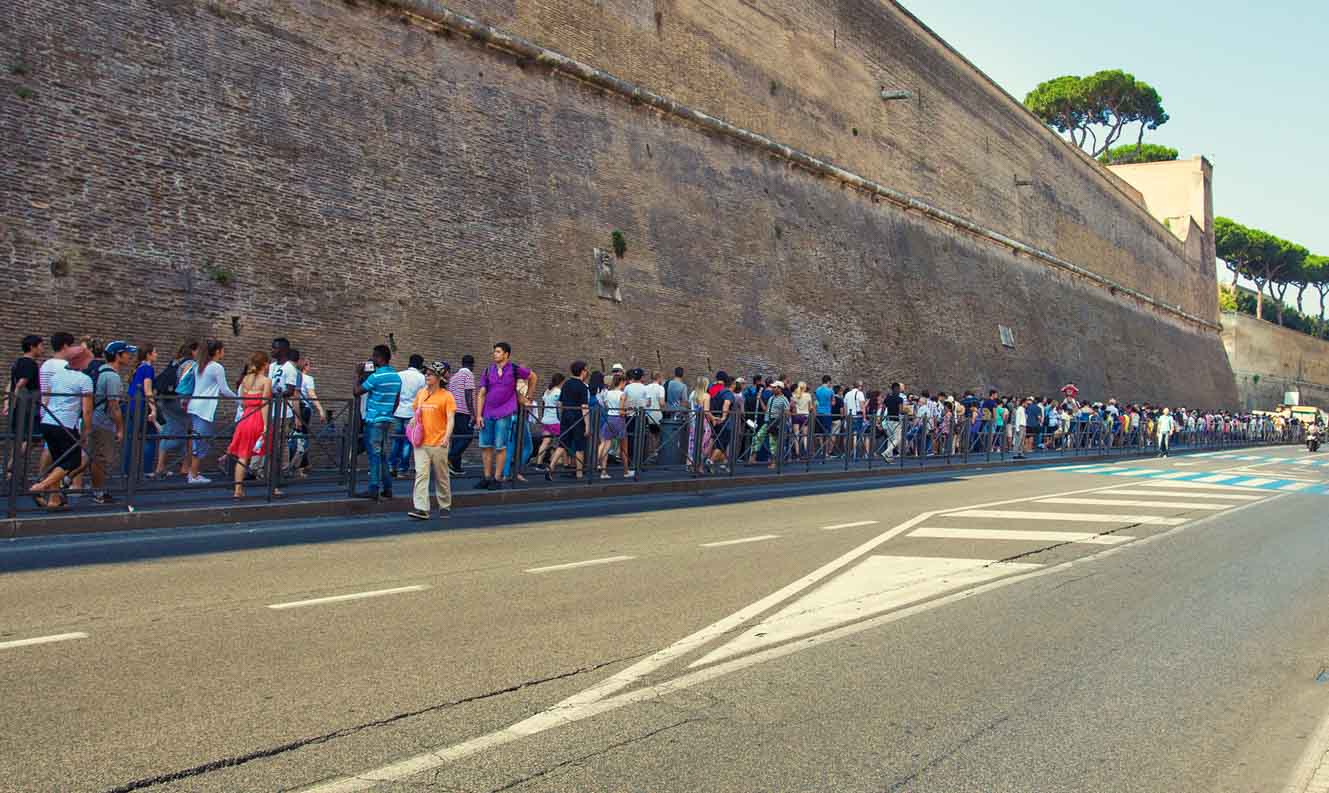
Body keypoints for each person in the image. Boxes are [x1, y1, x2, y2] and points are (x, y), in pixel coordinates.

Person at [31, 344, 94, 511]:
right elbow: (87, 410)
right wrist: (86, 430)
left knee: (58, 461)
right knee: (73, 461)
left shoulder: (57, 376)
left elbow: (47, 400)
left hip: (48, 421)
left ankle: (54, 499)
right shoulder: (85, 380)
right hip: (65, 424)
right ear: (82, 361)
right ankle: (41, 486)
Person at [474, 342, 536, 490]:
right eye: (494, 352)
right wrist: (478, 415)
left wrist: (528, 397)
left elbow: (533, 377)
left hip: (505, 413)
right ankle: (487, 477)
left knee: (501, 447)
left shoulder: (514, 369)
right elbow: (481, 394)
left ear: (506, 354)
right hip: (488, 413)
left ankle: (497, 478)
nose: (495, 354)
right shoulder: (488, 371)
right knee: (485, 446)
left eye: (498, 352)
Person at [407, 362, 456, 520]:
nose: (427, 376)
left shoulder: (447, 396)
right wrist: (413, 420)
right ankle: (422, 509)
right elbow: (416, 410)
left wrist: (446, 437)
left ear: (439, 378)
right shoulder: (421, 393)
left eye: (431, 374)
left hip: (439, 442)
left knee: (441, 476)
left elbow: (450, 419)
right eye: (426, 373)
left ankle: (445, 505)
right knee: (421, 474)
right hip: (421, 442)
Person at [87, 341, 133, 505]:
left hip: (93, 419)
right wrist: (120, 428)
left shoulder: (100, 371)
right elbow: (114, 406)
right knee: (104, 458)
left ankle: (94, 489)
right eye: (127, 353)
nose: (130, 356)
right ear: (118, 355)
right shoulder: (112, 376)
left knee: (93, 456)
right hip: (103, 422)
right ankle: (98, 493)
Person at [354, 345, 402, 501]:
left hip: (373, 420)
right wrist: (388, 413)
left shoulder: (375, 377)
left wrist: (359, 374)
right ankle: (387, 488)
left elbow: (356, 392)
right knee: (381, 454)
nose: (372, 360)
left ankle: (373, 488)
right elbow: (397, 400)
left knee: (374, 455)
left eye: (374, 356)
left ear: (380, 357)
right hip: (386, 420)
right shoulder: (396, 376)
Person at [186, 340, 236, 484]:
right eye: (223, 350)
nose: (224, 353)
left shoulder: (199, 365)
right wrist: (239, 400)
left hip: (194, 405)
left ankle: (193, 472)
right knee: (201, 441)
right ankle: (193, 475)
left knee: (197, 440)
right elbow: (224, 389)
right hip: (204, 408)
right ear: (218, 351)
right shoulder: (216, 367)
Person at [228, 352, 275, 500]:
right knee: (270, 453)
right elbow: (264, 404)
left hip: (245, 418)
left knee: (243, 456)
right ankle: (273, 488)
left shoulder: (245, 380)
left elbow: (242, 401)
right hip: (258, 419)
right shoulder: (266, 381)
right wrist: (266, 425)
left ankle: (237, 489)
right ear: (265, 364)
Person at [152, 342, 198, 480]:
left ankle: (162, 467)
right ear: (193, 351)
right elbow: (184, 384)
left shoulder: (174, 362)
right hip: (179, 402)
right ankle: (184, 467)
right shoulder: (191, 364)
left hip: (165, 400)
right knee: (188, 433)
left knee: (171, 430)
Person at [5, 334, 44, 472]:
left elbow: (11, 383)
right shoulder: (30, 363)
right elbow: (20, 384)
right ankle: (11, 465)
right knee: (33, 437)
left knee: (22, 438)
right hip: (28, 406)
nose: (42, 349)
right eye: (40, 346)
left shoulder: (17, 362)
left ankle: (11, 472)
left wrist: (8, 404)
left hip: (21, 405)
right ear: (32, 347)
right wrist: (13, 401)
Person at [122, 344, 159, 479]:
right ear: (148, 354)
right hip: (141, 406)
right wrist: (153, 409)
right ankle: (147, 470)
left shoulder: (137, 368)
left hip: (130, 405)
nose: (157, 354)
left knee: (130, 439)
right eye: (155, 352)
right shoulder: (148, 368)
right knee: (150, 437)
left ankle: (126, 472)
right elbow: (147, 390)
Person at [549, 362, 590, 480]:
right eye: (586, 370)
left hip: (566, 416)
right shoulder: (582, 387)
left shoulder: (566, 384)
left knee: (562, 444)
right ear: (582, 371)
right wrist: (587, 425)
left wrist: (563, 415)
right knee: (579, 446)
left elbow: (560, 403)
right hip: (578, 418)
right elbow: (584, 407)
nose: (587, 372)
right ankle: (579, 473)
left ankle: (551, 467)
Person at [391, 355, 428, 480]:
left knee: (396, 440)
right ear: (420, 365)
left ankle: (391, 466)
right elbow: (423, 397)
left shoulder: (399, 375)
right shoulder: (422, 378)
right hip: (411, 413)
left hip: (397, 411)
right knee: (408, 441)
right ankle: (402, 469)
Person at [446, 354, 477, 477]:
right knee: (468, 436)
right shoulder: (468, 374)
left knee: (457, 439)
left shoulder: (454, 377)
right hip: (463, 412)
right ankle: (449, 458)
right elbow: (468, 395)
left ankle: (456, 467)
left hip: (453, 411)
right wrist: (473, 414)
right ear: (472, 364)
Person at [597, 374, 630, 479]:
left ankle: (603, 472)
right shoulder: (623, 394)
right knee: (624, 448)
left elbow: (606, 406)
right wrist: (628, 411)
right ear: (622, 382)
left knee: (606, 445)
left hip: (609, 419)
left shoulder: (608, 393)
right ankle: (626, 471)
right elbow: (621, 411)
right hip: (619, 421)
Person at [750, 380, 790, 467]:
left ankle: (773, 462)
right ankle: (753, 458)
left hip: (775, 422)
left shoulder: (784, 399)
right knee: (758, 437)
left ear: (780, 389)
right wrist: (760, 399)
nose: (772, 389)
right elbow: (766, 410)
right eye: (772, 387)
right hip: (767, 421)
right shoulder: (771, 398)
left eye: (774, 387)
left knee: (773, 443)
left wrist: (780, 421)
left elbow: (787, 412)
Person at [706, 373, 737, 472]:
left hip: (715, 420)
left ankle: (724, 463)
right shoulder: (728, 393)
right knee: (722, 444)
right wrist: (723, 417)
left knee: (719, 442)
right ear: (732, 384)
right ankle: (710, 461)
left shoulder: (717, 390)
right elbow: (726, 403)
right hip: (725, 423)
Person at [535, 373, 565, 468]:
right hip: (554, 420)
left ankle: (539, 463)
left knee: (545, 441)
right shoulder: (558, 392)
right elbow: (560, 406)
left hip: (545, 419)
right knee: (564, 442)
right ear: (561, 381)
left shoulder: (547, 391)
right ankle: (561, 463)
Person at [687, 375, 711, 469]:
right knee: (705, 443)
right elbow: (706, 411)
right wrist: (713, 418)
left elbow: (690, 407)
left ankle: (689, 463)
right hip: (703, 423)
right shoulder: (706, 396)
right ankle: (699, 465)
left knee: (692, 443)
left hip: (693, 422)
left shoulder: (692, 394)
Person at [790, 381, 812, 458]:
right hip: (805, 416)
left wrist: (796, 407)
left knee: (796, 435)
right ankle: (806, 452)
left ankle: (797, 453)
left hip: (796, 416)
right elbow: (810, 408)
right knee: (805, 435)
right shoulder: (808, 395)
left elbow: (791, 405)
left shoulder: (795, 395)